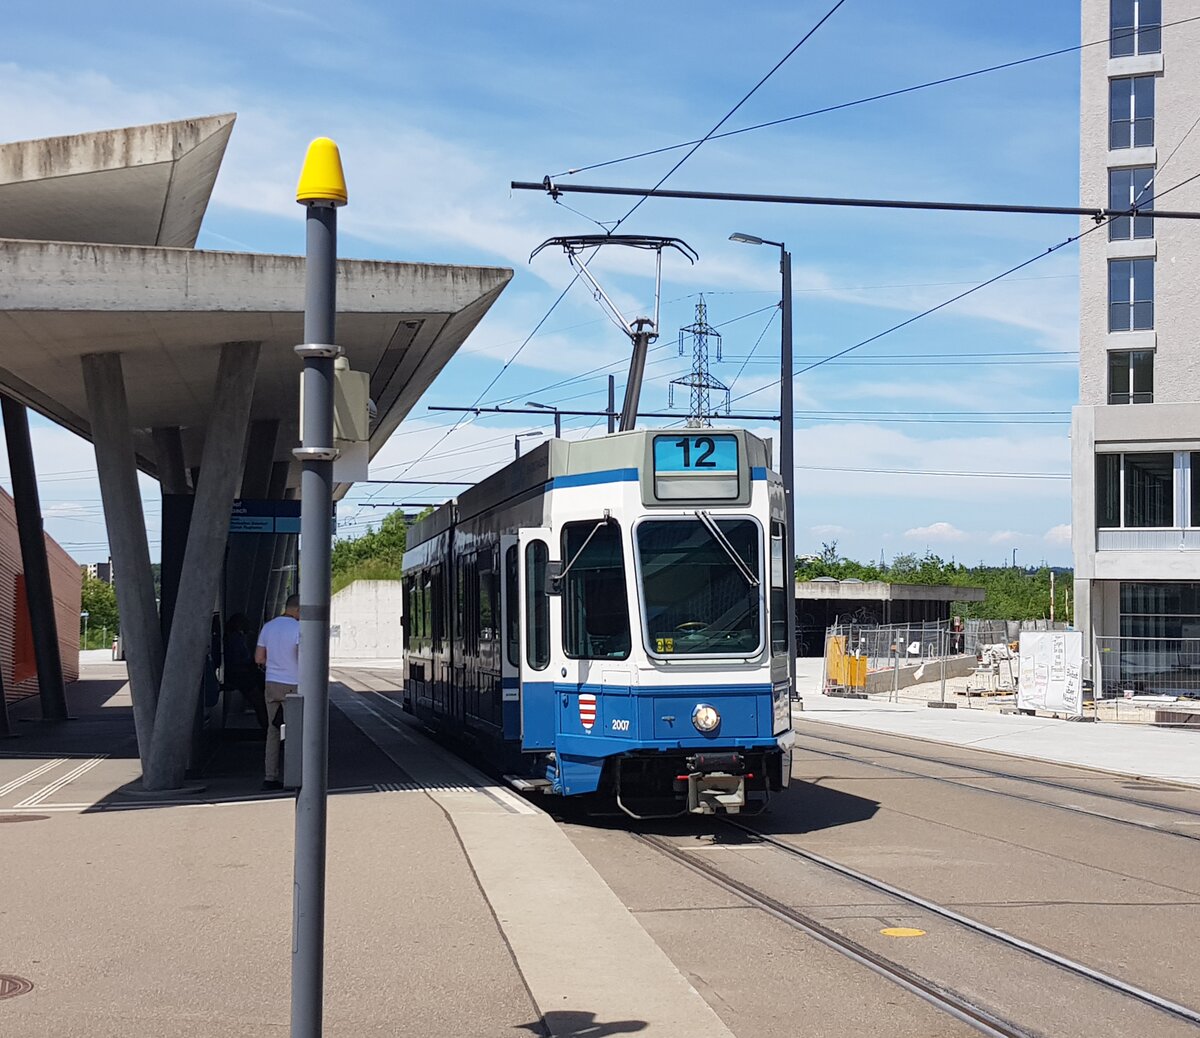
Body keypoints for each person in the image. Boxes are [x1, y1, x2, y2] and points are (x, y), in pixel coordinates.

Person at [255, 594, 300, 791]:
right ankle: (295, 775)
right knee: (296, 732)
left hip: (272, 684)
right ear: (299, 610)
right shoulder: (299, 628)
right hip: (294, 684)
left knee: (273, 732)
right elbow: (302, 655)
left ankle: (270, 777)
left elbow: (259, 658)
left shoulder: (268, 627)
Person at [225, 613, 267, 730]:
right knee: (259, 702)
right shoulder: (236, 638)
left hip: (241, 673)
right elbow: (240, 658)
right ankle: (267, 728)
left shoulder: (233, 637)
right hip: (241, 675)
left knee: (259, 702)